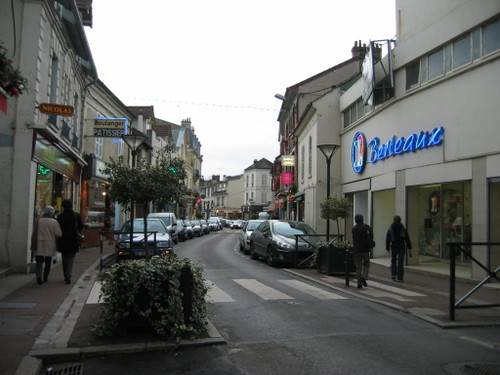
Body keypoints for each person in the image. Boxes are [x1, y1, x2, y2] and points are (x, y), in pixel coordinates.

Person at [30, 206, 62, 285]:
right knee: (48, 261)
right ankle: (45, 277)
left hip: (39, 242)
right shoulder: (54, 222)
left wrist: (33, 243)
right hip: (50, 243)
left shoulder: (39, 221)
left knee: (39, 260)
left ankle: (38, 275)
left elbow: (34, 233)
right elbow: (59, 234)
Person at [57, 199, 84, 284]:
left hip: (63, 240)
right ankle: (68, 275)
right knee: (71, 258)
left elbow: (58, 228)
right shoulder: (76, 215)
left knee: (64, 257)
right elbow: (81, 226)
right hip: (73, 240)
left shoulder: (60, 216)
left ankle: (66, 274)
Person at [385, 215, 412, 282]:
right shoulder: (402, 228)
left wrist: (387, 248)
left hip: (394, 246)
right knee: (400, 262)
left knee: (393, 260)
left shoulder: (391, 228)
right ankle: (400, 277)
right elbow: (407, 238)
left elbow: (388, 239)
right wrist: (409, 247)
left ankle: (393, 274)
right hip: (401, 246)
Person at [351, 214, 374, 289]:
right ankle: (364, 277)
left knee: (358, 266)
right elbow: (371, 236)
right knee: (366, 263)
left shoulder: (354, 229)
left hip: (356, 250)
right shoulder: (366, 227)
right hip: (365, 249)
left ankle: (358, 282)